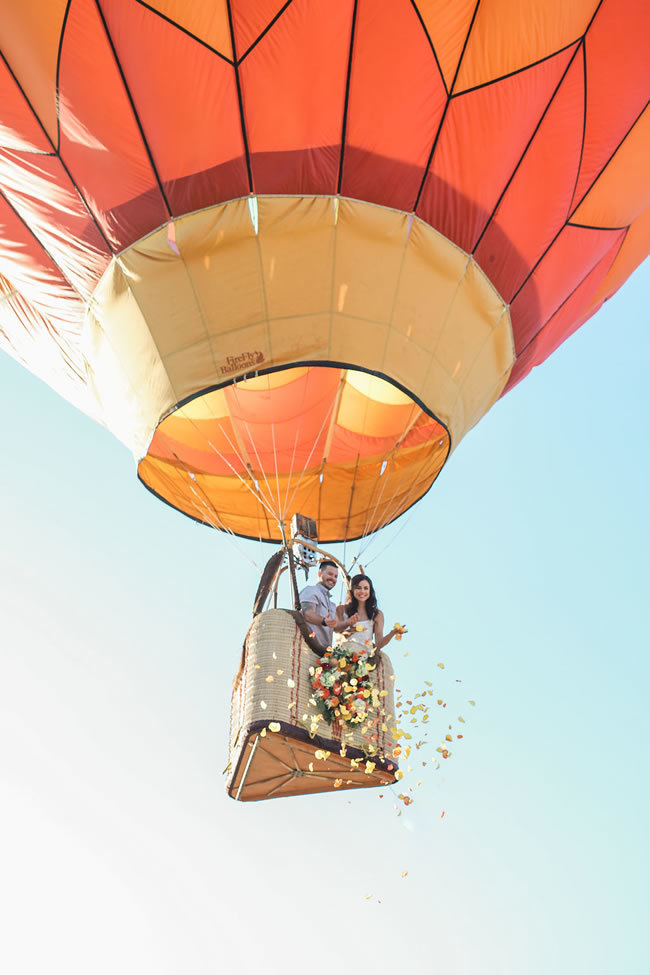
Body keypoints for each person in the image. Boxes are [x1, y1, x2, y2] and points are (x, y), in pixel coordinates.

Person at [335, 573, 406, 653]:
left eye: (366, 588)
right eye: (358, 588)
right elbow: (336, 630)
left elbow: (378, 644)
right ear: (352, 590)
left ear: (370, 591)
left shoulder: (377, 614)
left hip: (364, 659)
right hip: (342, 655)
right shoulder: (341, 609)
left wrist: (392, 633)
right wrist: (349, 628)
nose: (362, 591)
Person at [299, 560, 359, 651]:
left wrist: (348, 622)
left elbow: (335, 626)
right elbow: (307, 613)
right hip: (307, 648)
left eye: (336, 576)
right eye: (330, 574)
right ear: (319, 573)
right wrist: (324, 621)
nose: (333, 578)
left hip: (324, 653)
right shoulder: (311, 591)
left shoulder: (331, 605)